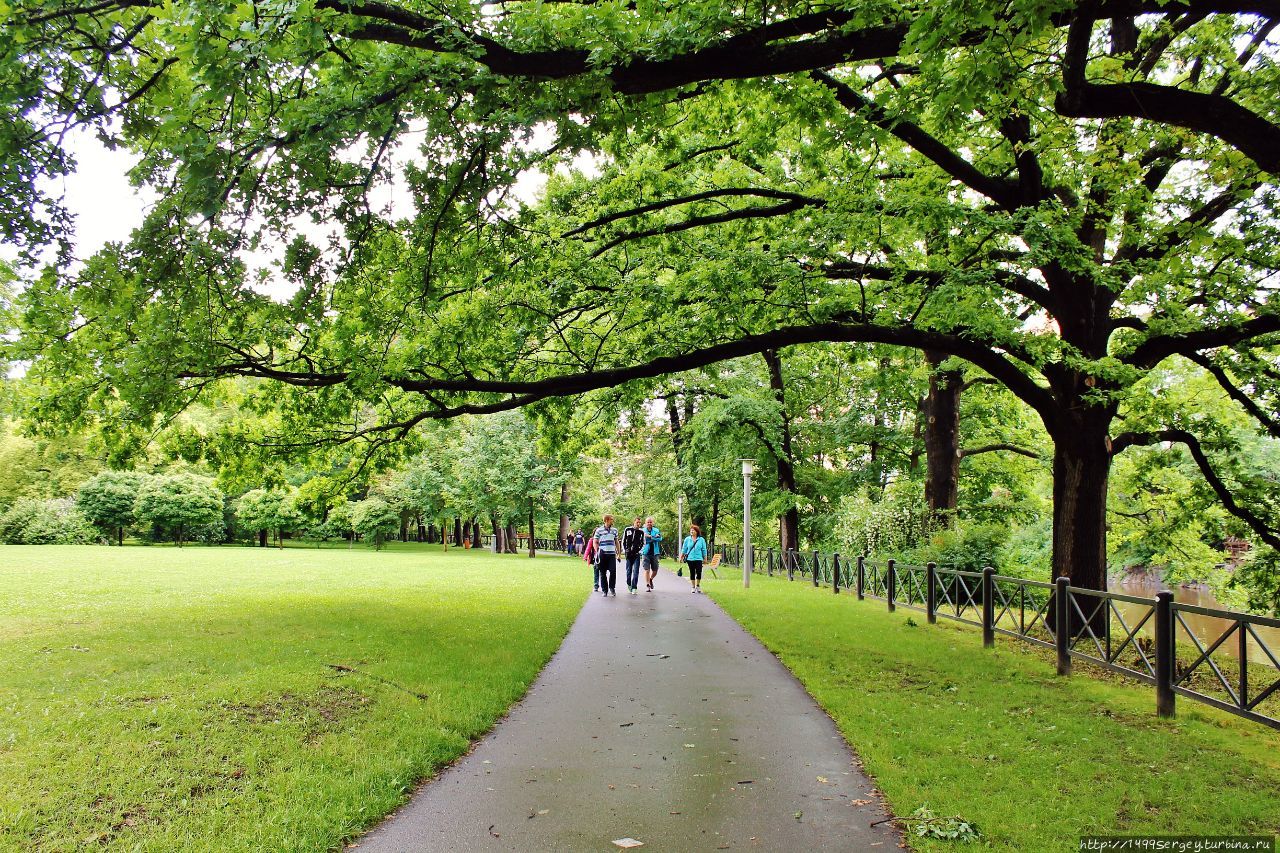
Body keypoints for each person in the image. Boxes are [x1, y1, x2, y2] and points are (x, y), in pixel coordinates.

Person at [593, 514, 620, 597]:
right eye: (611, 519)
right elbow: (595, 541)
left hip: (612, 554)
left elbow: (616, 542)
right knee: (602, 573)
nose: (613, 521)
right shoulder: (599, 530)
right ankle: (605, 590)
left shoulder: (614, 530)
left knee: (613, 571)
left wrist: (618, 553)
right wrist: (597, 551)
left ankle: (612, 588)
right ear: (606, 520)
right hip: (602, 554)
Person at [681, 523, 709, 594]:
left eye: (693, 530)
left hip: (699, 558)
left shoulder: (701, 539)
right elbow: (684, 549)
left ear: (697, 531)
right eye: (691, 530)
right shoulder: (687, 539)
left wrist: (705, 558)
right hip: (690, 559)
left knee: (699, 572)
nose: (692, 532)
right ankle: (693, 587)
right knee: (692, 572)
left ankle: (698, 585)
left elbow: (704, 549)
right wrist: (681, 556)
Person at [622, 516, 645, 595]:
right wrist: (625, 550)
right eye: (637, 522)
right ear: (634, 522)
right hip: (628, 554)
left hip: (636, 554)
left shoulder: (641, 532)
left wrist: (639, 551)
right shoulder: (627, 529)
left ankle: (634, 587)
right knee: (629, 571)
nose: (638, 524)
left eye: (639, 523)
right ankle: (629, 583)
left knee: (636, 571)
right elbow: (623, 540)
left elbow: (643, 543)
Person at [641, 516, 662, 592]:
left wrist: (650, 537)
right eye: (648, 522)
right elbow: (643, 539)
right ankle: (648, 585)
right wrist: (653, 537)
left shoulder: (656, 530)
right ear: (645, 523)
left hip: (655, 553)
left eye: (650, 522)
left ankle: (650, 579)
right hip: (646, 553)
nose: (649, 523)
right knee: (647, 570)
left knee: (655, 570)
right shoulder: (643, 530)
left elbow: (660, 538)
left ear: (653, 523)